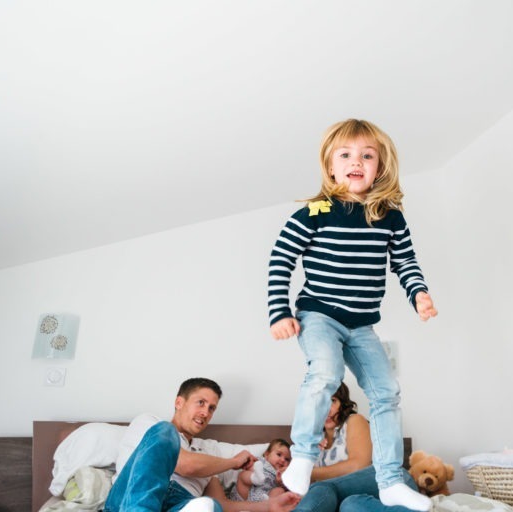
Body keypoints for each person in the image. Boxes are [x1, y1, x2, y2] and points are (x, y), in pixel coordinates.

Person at [268, 119, 437, 511]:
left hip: (361, 323)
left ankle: (391, 480)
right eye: (345, 155)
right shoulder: (317, 211)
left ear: (379, 166)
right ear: (330, 166)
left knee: (387, 393)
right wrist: (279, 311)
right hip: (319, 315)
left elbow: (406, 261)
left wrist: (419, 294)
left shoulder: (389, 216)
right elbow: (281, 259)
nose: (355, 161)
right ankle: (304, 456)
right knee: (325, 373)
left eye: (366, 155)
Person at [104, 377, 300, 512]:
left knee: (208, 506)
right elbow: (186, 465)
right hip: (128, 502)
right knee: (167, 430)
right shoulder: (151, 425)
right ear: (179, 402)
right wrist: (233, 462)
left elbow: (223, 504)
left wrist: (270, 505)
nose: (206, 413)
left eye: (212, 408)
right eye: (201, 403)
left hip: (181, 505)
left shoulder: (207, 455)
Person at [291, 382, 419, 512]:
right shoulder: (312, 441)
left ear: (342, 403)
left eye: (332, 401)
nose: (326, 409)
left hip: (392, 481)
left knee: (324, 488)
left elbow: (358, 465)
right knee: (350, 506)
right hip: (363, 501)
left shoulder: (354, 420)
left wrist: (308, 473)